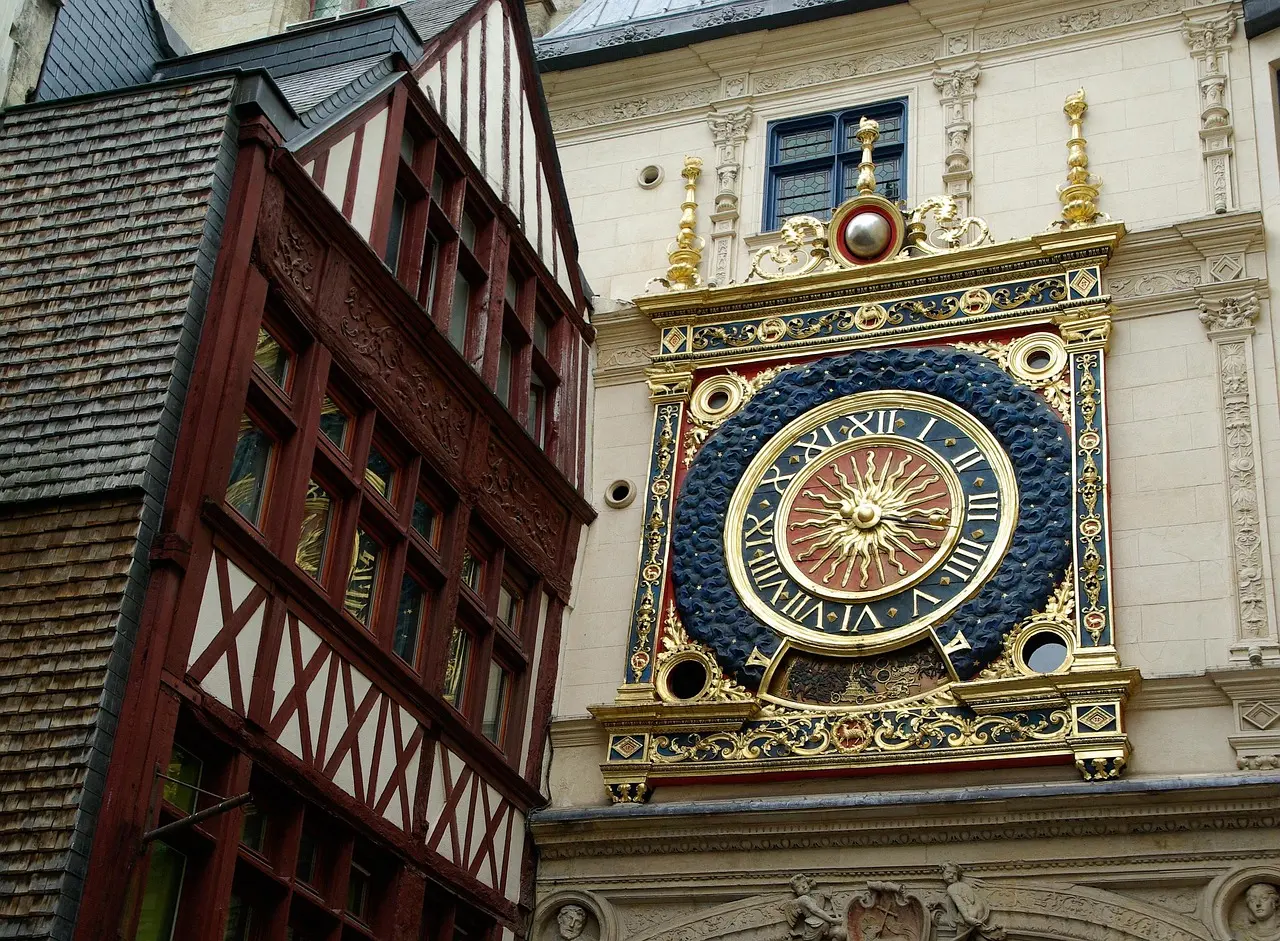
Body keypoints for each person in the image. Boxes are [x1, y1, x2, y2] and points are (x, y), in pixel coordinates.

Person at [942, 863, 1004, 941]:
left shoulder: (951, 888)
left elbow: (959, 903)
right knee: (973, 937)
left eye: (954, 874)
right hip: (979, 913)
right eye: (948, 872)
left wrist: (967, 918)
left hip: (969, 914)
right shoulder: (963, 885)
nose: (951, 875)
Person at [786, 874, 848, 941]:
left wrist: (823, 896)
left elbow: (820, 908)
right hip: (815, 928)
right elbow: (815, 910)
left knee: (840, 932)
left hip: (823, 928)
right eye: (798, 887)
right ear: (797, 892)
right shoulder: (803, 899)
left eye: (804, 883)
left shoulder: (812, 897)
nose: (803, 886)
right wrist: (832, 920)